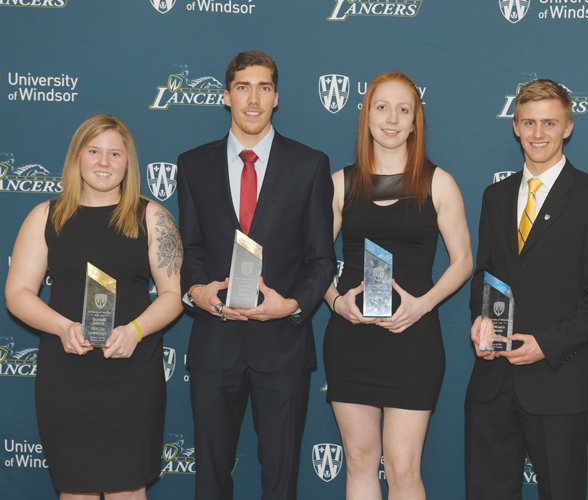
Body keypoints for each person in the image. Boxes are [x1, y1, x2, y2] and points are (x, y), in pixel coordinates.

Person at [177, 50, 335, 500]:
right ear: (226, 97)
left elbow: (321, 258)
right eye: (243, 87)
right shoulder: (192, 165)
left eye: (264, 87)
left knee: (281, 482)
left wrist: (291, 305)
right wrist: (196, 290)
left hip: (282, 346)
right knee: (209, 479)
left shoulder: (309, 165)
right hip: (214, 343)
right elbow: (189, 249)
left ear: (276, 98)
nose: (253, 97)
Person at [5, 114, 183, 500]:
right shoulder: (45, 216)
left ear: (128, 162)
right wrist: (61, 326)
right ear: (77, 158)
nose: (104, 162)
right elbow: (18, 292)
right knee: (76, 492)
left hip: (133, 374)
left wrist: (135, 331)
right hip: (67, 374)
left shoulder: (152, 217)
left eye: (115, 153)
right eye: (94, 151)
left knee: (129, 493)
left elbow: (173, 294)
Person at [464, 79, 588, 500]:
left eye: (550, 123)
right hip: (492, 381)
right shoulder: (495, 196)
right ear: (515, 126)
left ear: (568, 127)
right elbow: (484, 273)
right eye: (529, 122)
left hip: (559, 381)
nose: (539, 133)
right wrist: (480, 320)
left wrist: (546, 345)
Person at [323, 71, 473, 499]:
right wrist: (336, 303)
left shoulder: (437, 183)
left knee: (404, 467)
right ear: (367, 115)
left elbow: (463, 261)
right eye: (382, 107)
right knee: (358, 461)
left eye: (403, 110)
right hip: (352, 339)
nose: (392, 119)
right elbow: (313, 262)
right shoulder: (340, 184)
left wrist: (423, 305)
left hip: (413, 340)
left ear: (415, 122)